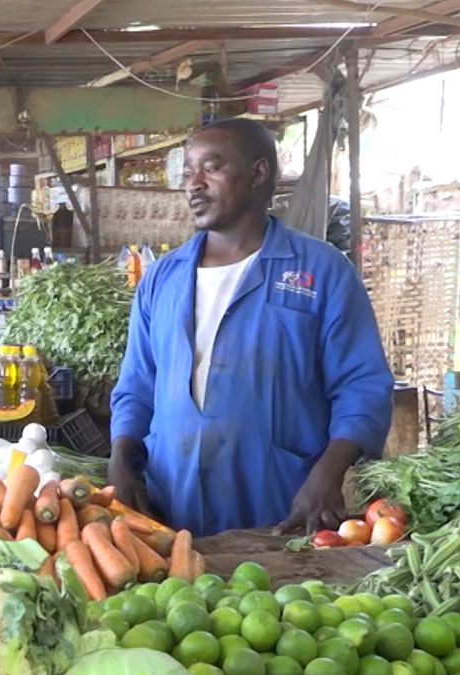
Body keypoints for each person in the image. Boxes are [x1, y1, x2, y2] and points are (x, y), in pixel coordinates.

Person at [107, 118, 393, 538]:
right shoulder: (161, 278)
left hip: (281, 508)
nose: (194, 184)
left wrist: (328, 473)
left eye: (212, 167)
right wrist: (120, 457)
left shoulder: (320, 272)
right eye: (188, 172)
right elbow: (136, 383)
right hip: (171, 506)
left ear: (259, 173)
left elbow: (362, 386)